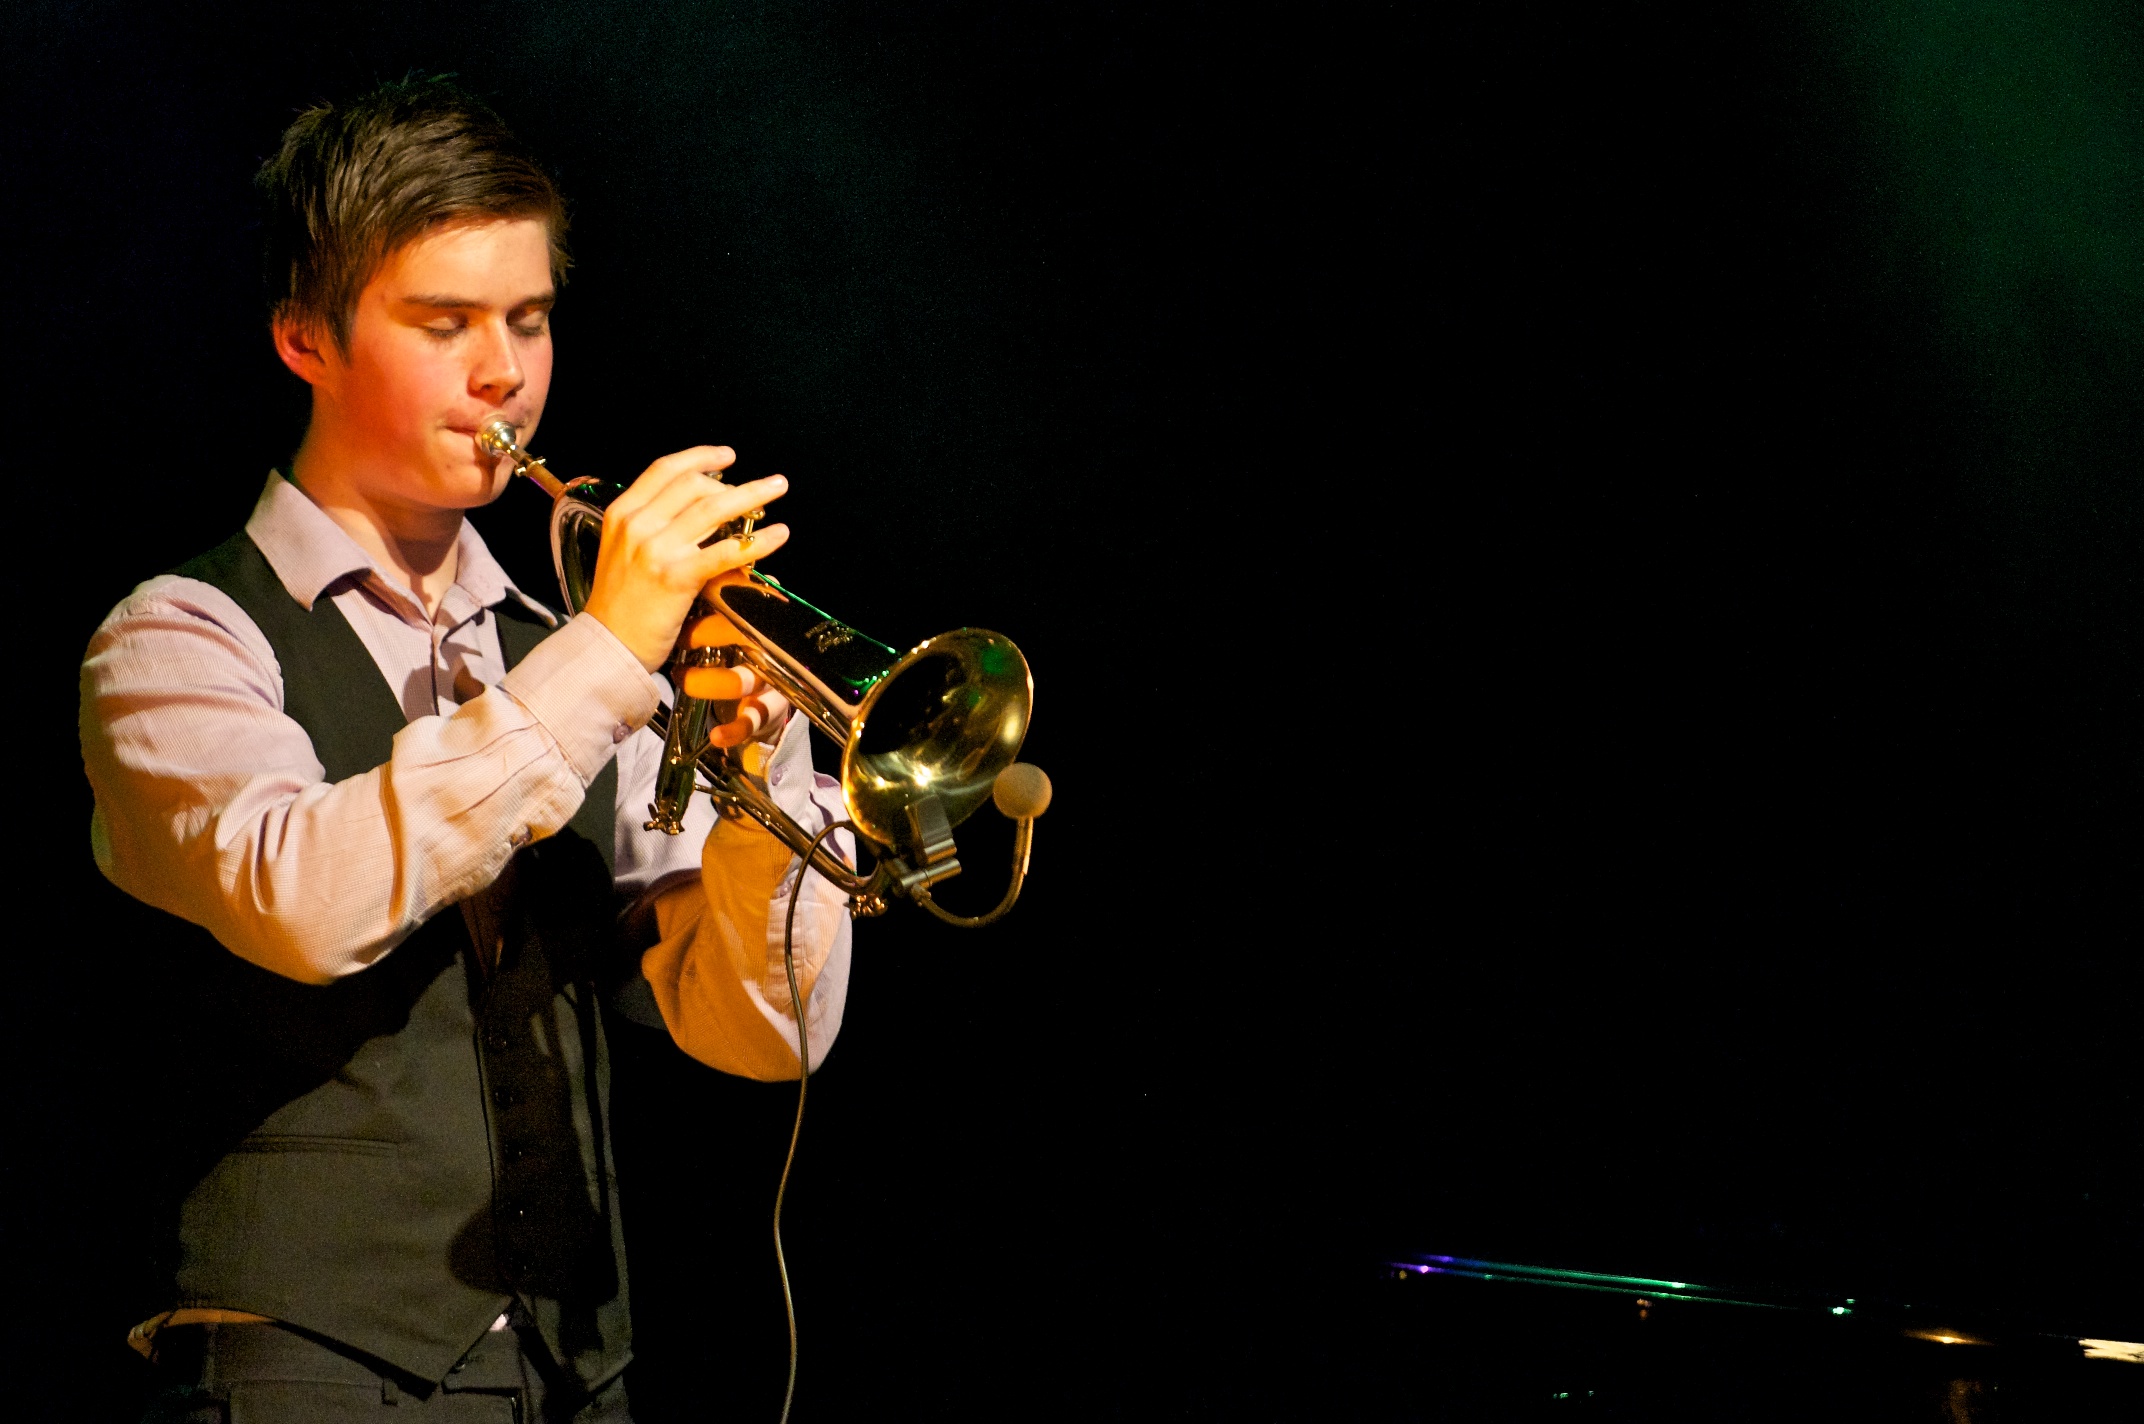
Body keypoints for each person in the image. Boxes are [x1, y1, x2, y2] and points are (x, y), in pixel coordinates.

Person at [78, 77, 854, 1422]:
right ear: (305, 339)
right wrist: (611, 657)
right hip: (306, 1367)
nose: (505, 373)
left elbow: (754, 1037)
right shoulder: (179, 637)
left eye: (530, 321)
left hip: (577, 1377)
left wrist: (758, 802)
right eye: (445, 325)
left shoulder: (567, 647)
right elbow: (303, 900)